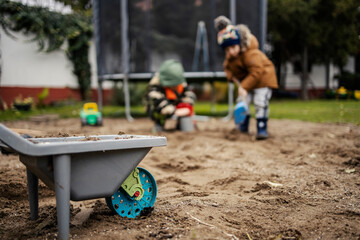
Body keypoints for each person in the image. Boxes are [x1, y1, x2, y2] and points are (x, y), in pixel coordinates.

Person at [214, 16, 278, 140]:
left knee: (260, 103)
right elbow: (227, 68)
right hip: (247, 83)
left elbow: (256, 72)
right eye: (227, 49)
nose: (231, 51)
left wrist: (243, 86)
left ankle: (261, 127)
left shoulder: (251, 53)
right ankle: (243, 126)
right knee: (243, 102)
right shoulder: (231, 57)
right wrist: (231, 77)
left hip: (262, 81)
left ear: (239, 43)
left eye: (233, 47)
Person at [146, 59, 196, 132]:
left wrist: (187, 106)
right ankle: (159, 123)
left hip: (175, 104)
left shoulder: (180, 82)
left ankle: (181, 124)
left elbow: (189, 95)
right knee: (157, 111)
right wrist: (175, 111)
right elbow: (158, 103)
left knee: (186, 107)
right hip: (161, 109)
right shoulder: (155, 85)